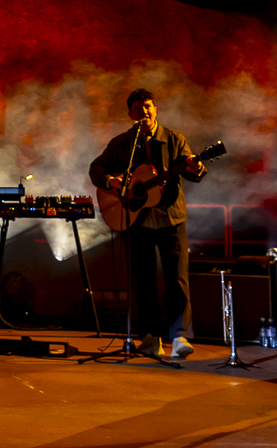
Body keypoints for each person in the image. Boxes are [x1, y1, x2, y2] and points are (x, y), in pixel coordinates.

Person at [88, 88, 208, 361]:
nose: (145, 110)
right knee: (143, 281)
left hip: (170, 218)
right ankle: (151, 337)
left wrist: (195, 167)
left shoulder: (174, 140)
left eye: (150, 106)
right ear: (131, 113)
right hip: (137, 220)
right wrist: (112, 182)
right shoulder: (122, 144)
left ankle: (179, 336)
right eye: (139, 107)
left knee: (176, 279)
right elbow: (96, 169)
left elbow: (194, 172)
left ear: (156, 110)